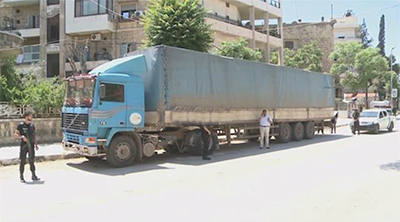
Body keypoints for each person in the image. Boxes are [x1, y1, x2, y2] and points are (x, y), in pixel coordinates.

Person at [14, 111, 40, 183]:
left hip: (31, 145)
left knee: (32, 160)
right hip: (24, 145)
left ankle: (33, 175)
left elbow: (34, 136)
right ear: (26, 117)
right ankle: (21, 176)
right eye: (30, 116)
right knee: (23, 160)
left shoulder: (32, 125)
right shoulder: (21, 125)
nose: (31, 117)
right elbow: (15, 134)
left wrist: (36, 144)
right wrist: (21, 136)